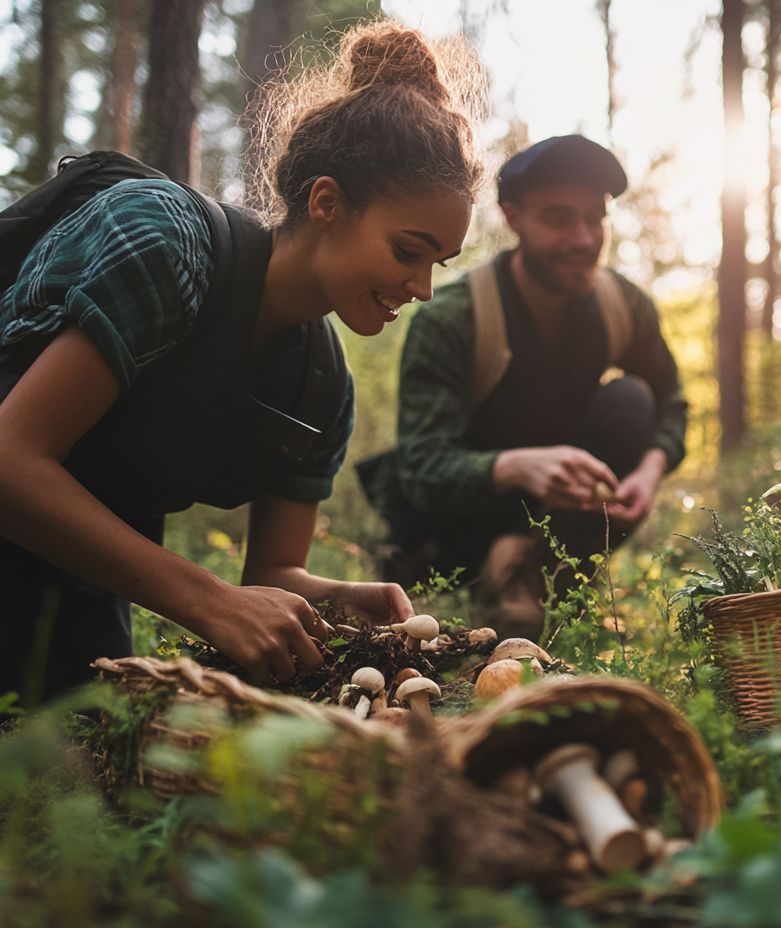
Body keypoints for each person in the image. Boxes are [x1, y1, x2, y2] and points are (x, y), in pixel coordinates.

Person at [0, 19, 483, 706]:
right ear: (325, 203)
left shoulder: (322, 392)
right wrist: (209, 600)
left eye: (439, 262)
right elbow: (10, 461)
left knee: (77, 780)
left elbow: (273, 569)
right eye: (409, 250)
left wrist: (341, 599)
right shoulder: (165, 244)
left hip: (81, 575)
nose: (424, 287)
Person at [365, 135, 687, 637]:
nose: (583, 239)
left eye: (594, 218)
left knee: (631, 402)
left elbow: (671, 402)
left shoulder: (624, 306)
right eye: (559, 219)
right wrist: (515, 467)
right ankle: (483, 580)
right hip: (453, 534)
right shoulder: (454, 319)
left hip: (550, 527)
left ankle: (536, 578)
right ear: (514, 217)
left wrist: (650, 468)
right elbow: (420, 468)